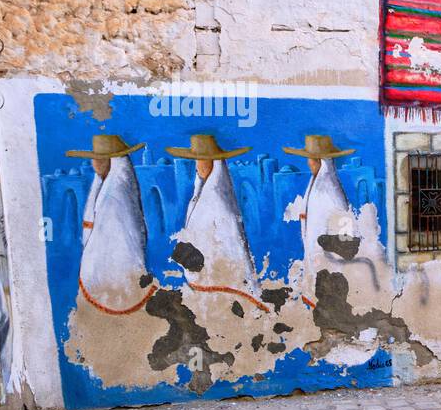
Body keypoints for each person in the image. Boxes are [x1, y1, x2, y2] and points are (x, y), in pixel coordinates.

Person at [166, 134, 265, 312]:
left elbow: (233, 249)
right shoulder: (198, 197)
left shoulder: (219, 202)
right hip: (204, 287)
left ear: (214, 162)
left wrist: (196, 260)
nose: (198, 165)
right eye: (197, 160)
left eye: (202, 160)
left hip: (224, 292)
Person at [65, 134, 154, 314]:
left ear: (112, 162)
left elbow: (123, 236)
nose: (94, 163)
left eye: (99, 159)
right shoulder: (104, 187)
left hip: (122, 270)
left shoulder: (117, 195)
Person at [282, 135, 355, 307]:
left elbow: (344, 229)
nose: (309, 163)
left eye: (312, 159)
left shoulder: (330, 191)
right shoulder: (315, 188)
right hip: (316, 259)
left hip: (329, 260)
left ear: (321, 162)